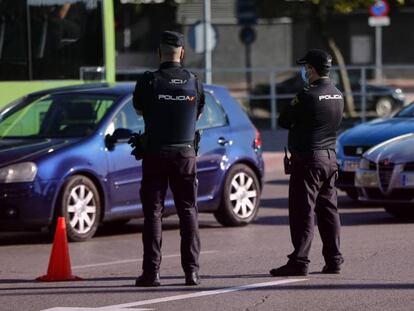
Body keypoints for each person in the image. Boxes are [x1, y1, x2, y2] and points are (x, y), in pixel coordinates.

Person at [132, 31, 205, 287]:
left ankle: (151, 273)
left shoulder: (149, 80)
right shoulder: (194, 82)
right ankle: (192, 273)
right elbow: (197, 114)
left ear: (159, 52)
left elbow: (140, 110)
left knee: (153, 213)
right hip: (185, 154)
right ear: (182, 53)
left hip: (155, 153)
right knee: (188, 211)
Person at [270, 49, 344, 276]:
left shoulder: (307, 95)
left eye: (306, 68)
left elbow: (283, 120)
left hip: (309, 161)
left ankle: (299, 261)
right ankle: (334, 260)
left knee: (303, 212)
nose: (304, 71)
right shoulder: (337, 94)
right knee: (329, 211)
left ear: (312, 69)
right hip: (330, 159)